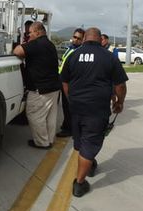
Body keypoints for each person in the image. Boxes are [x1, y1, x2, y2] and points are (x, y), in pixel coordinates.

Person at [61, 27, 128, 197]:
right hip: (96, 109)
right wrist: (120, 102)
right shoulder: (108, 57)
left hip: (76, 107)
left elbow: (65, 81)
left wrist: (70, 98)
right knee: (90, 144)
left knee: (81, 140)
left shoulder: (73, 55)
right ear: (100, 39)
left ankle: (88, 163)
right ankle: (79, 183)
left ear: (84, 39)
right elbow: (120, 85)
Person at [13, 21, 61, 149]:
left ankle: (41, 142)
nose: (29, 35)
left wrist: (24, 43)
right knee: (50, 116)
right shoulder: (50, 44)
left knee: (35, 115)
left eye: (30, 33)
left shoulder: (36, 44)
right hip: (54, 87)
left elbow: (17, 51)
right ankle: (49, 139)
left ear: (38, 32)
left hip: (40, 89)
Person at [56, 28, 85, 137]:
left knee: (68, 107)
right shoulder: (70, 48)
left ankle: (69, 129)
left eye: (79, 38)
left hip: (69, 83)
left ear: (83, 40)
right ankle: (67, 125)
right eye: (74, 37)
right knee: (65, 106)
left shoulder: (79, 52)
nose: (76, 40)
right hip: (62, 80)